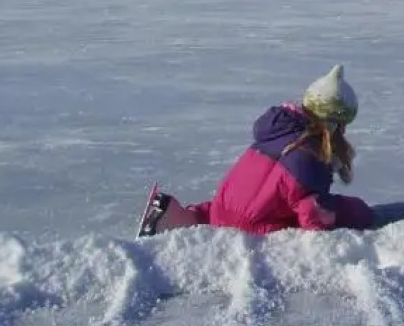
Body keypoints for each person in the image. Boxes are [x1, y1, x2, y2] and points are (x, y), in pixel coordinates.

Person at [138, 63, 379, 236]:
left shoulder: (275, 132)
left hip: (224, 208)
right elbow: (312, 215)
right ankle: (362, 213)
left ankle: (175, 216)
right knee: (340, 208)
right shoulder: (311, 158)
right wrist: (353, 214)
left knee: (226, 210)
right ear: (335, 125)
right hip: (252, 229)